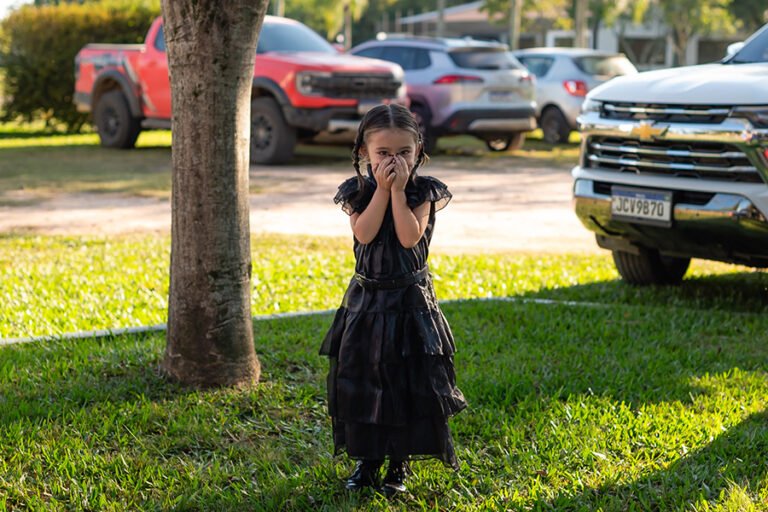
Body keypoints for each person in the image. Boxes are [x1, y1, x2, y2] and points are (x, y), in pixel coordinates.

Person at [319, 103, 467, 497]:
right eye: (383, 153)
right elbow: (365, 233)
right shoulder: (357, 192)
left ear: (418, 151)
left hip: (409, 302)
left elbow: (408, 237)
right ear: (364, 153)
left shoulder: (422, 192)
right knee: (365, 379)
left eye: (404, 152)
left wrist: (398, 192)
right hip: (367, 302)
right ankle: (367, 461)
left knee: (405, 381)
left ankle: (398, 462)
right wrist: (382, 191)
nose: (394, 161)